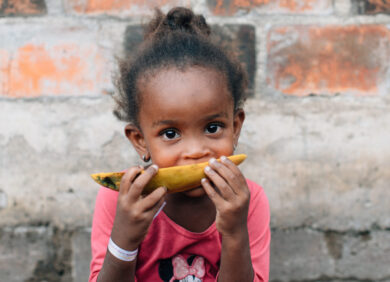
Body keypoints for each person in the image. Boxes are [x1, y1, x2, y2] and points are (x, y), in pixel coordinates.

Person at [89, 6, 270, 282]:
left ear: (235, 128)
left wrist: (235, 233)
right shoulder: (118, 200)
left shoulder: (249, 201)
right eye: (171, 133)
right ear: (140, 141)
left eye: (213, 128)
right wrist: (123, 241)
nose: (196, 151)